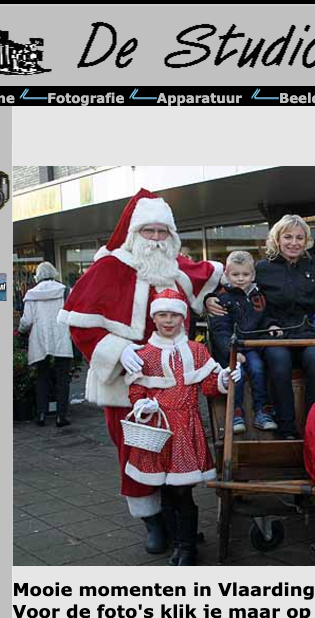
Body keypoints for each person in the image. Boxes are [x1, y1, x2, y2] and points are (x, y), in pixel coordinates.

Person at [59, 190, 223, 555]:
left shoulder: (174, 266)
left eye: (163, 232)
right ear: (134, 233)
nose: (156, 239)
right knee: (134, 451)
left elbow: (211, 278)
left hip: (174, 386)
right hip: (124, 383)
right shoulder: (110, 267)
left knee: (176, 453)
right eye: (149, 231)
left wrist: (214, 298)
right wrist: (118, 350)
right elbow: (80, 326)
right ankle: (152, 521)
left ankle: (177, 523)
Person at [124, 289, 240, 565]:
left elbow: (209, 386)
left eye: (174, 315)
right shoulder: (145, 353)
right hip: (157, 430)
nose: (168, 320)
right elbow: (136, 390)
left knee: (182, 490)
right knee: (164, 489)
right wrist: (141, 405)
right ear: (154, 318)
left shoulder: (196, 350)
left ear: (183, 318)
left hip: (186, 428)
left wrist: (223, 379)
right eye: (163, 315)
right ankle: (177, 542)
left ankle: (187, 547)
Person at [207, 214, 315, 440]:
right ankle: (286, 429)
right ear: (277, 239)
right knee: (278, 361)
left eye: (299, 237)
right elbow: (237, 287)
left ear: (307, 241)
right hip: (274, 332)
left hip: (308, 330)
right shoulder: (263, 268)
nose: (294, 242)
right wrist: (209, 298)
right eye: (288, 237)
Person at [208, 251, 276, 434]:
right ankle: (236, 412)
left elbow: (264, 317)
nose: (240, 279)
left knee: (258, 369)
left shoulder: (257, 296)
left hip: (251, 346)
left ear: (253, 275)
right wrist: (232, 351)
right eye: (235, 274)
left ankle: (262, 411)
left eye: (245, 274)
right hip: (230, 349)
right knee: (236, 374)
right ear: (226, 274)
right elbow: (220, 330)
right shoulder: (222, 298)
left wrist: (271, 325)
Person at [18, 261, 74, 427]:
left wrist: (21, 331)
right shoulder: (65, 291)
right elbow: (72, 314)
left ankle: (41, 414)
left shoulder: (31, 294)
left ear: (38, 276)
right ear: (54, 273)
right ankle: (61, 416)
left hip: (40, 339)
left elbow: (27, 321)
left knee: (41, 377)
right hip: (61, 337)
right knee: (63, 378)